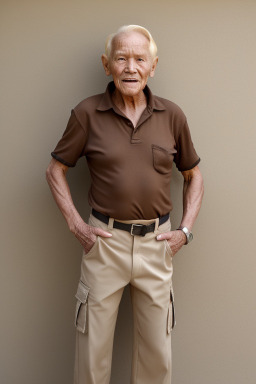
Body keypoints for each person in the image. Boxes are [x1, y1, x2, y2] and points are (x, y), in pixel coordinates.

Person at [46, 25, 204, 384]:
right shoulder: (86, 113)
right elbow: (55, 170)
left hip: (157, 244)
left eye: (139, 59)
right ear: (107, 65)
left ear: (153, 66)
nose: (130, 67)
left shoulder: (173, 116)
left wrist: (184, 231)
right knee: (92, 353)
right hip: (104, 244)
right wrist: (77, 226)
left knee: (156, 355)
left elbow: (194, 176)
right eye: (121, 58)